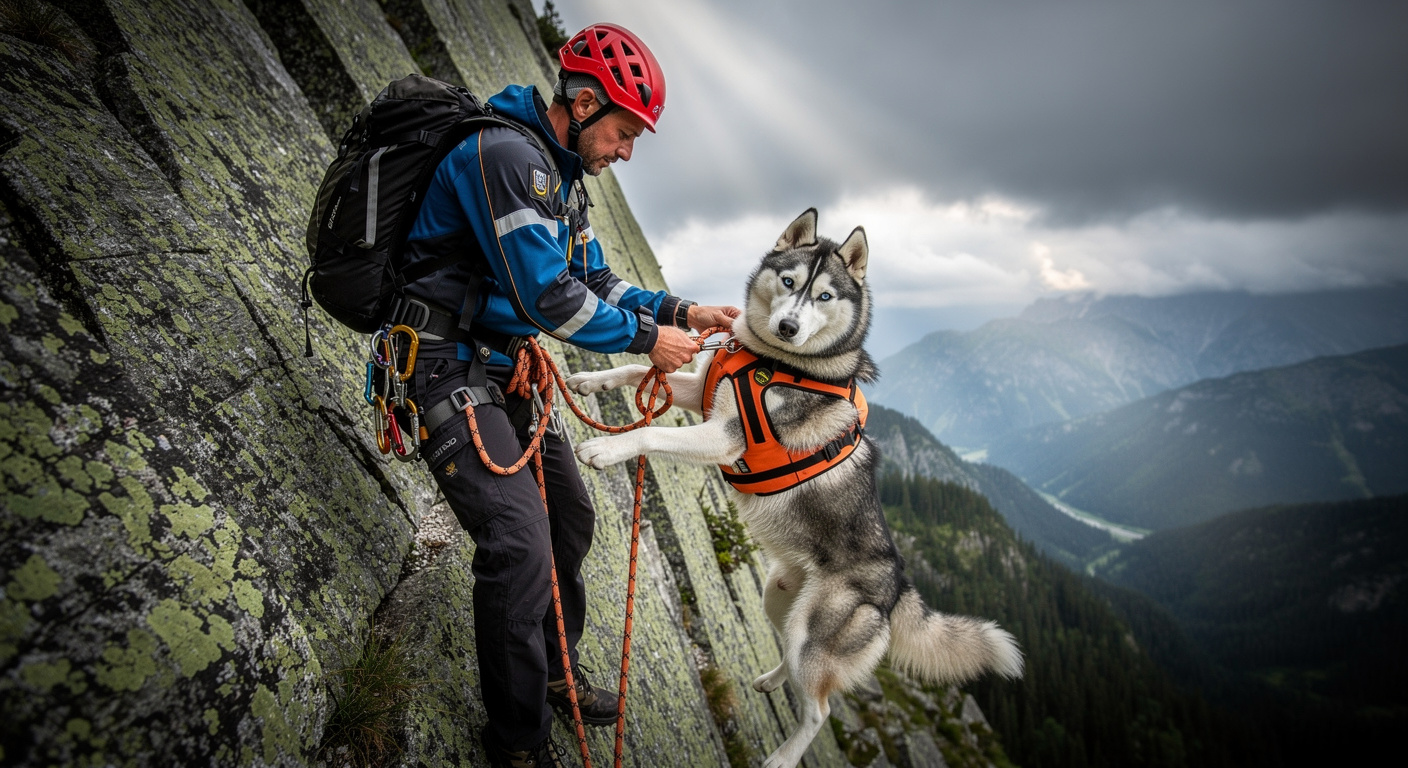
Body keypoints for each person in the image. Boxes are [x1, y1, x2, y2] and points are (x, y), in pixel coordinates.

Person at [384, 22, 738, 768]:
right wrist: (648, 342)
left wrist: (681, 313)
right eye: (622, 131)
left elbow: (599, 282)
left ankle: (553, 672)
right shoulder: (507, 157)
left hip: (497, 363)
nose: (626, 151)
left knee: (569, 515)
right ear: (580, 104)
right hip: (440, 364)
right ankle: (519, 745)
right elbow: (551, 297)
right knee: (518, 543)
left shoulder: (561, 179)